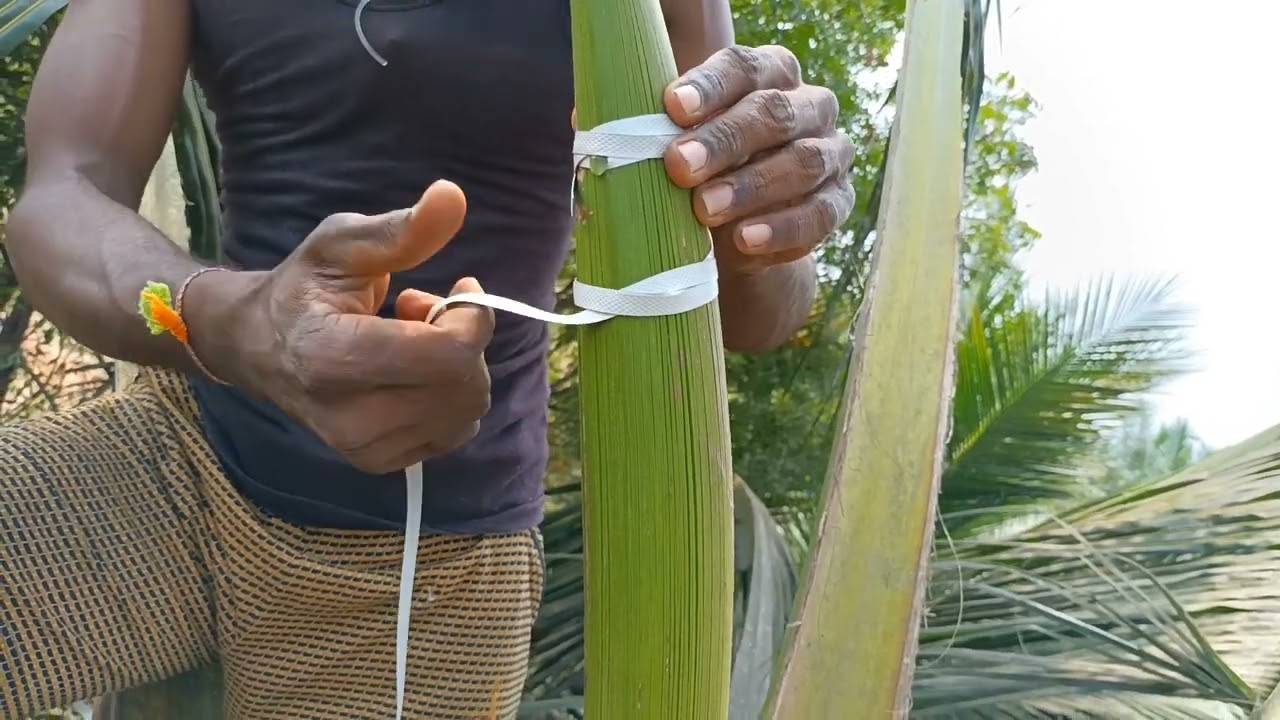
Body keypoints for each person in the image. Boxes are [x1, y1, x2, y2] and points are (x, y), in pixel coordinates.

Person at [0, 0, 855, 717]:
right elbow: (64, 194)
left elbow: (763, 312)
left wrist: (765, 205)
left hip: (434, 576)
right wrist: (234, 322)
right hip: (186, 457)